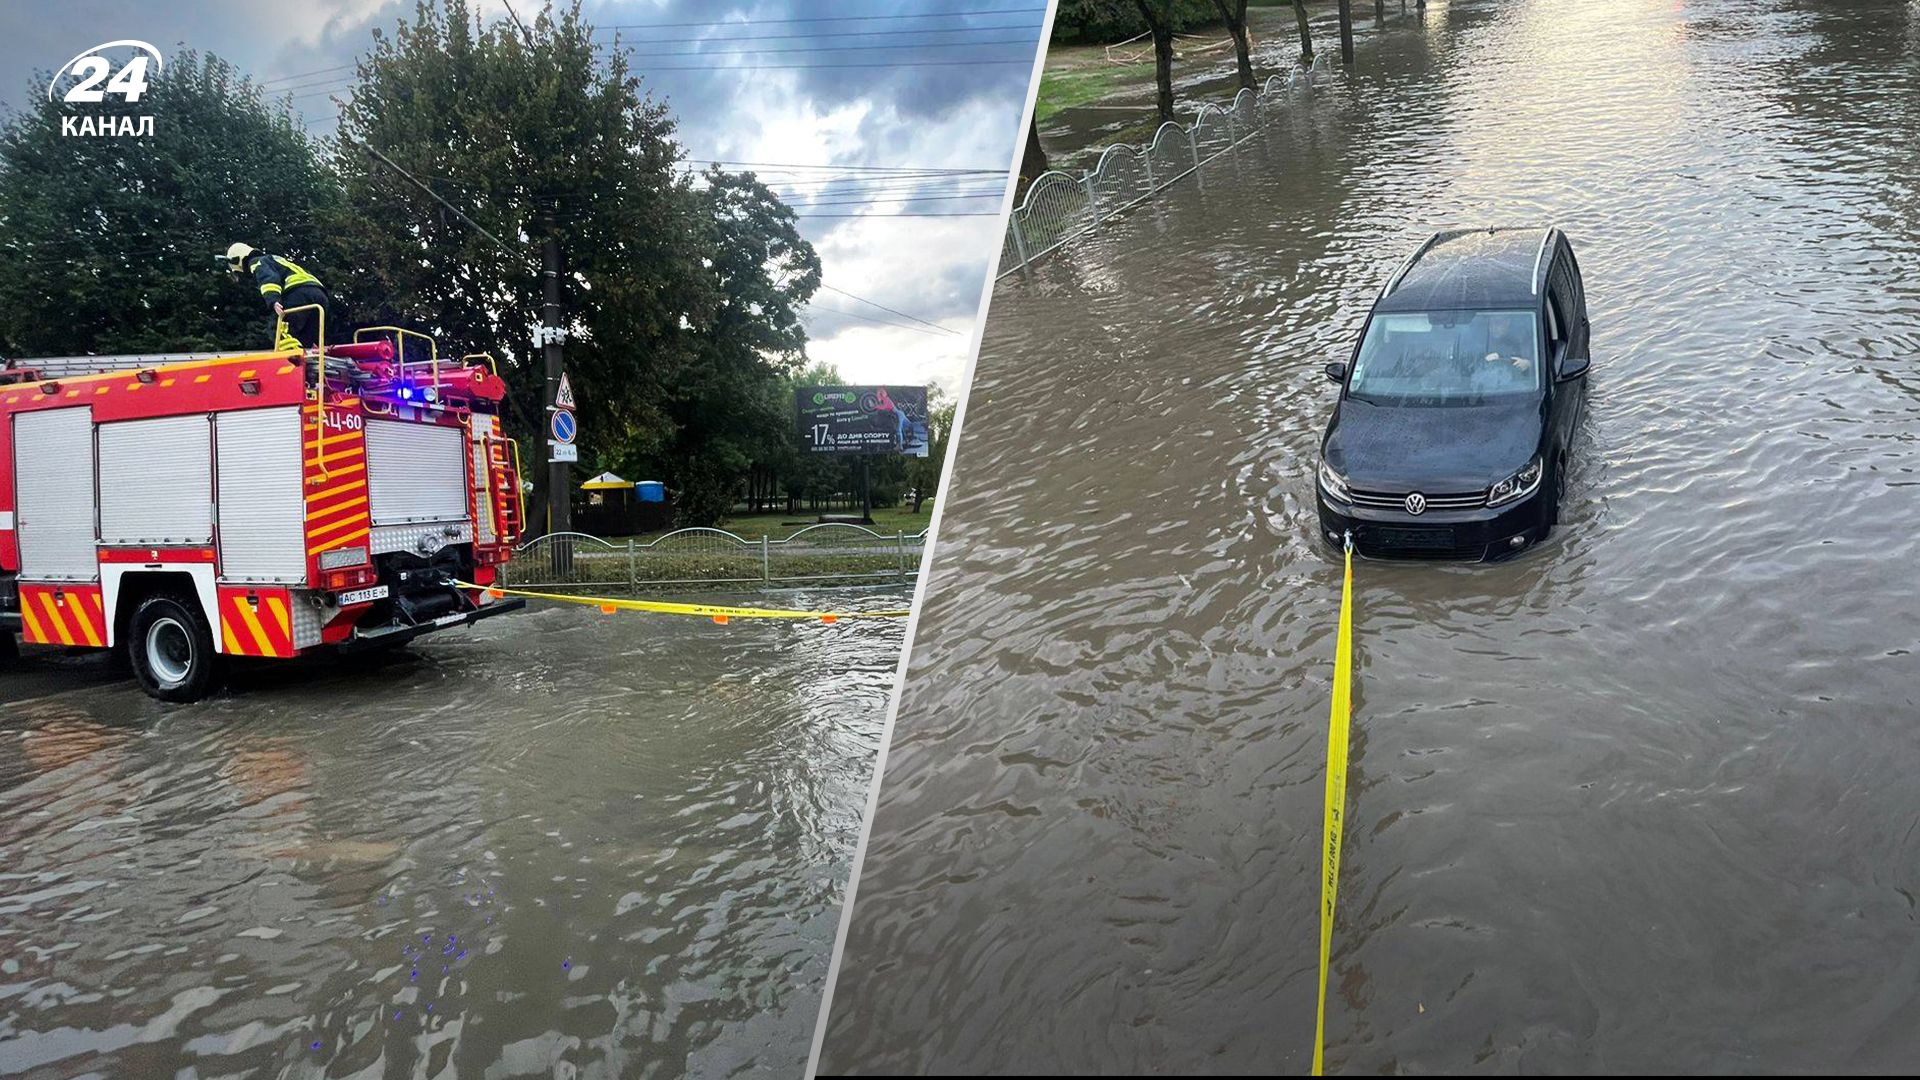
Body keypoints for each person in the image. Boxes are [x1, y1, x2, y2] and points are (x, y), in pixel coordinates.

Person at [222, 243, 330, 350]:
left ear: (238, 260)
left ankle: (291, 358)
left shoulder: (257, 262)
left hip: (298, 293)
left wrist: (273, 300)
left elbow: (269, 279)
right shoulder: (276, 260)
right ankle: (313, 350)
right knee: (307, 335)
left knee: (278, 329)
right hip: (320, 295)